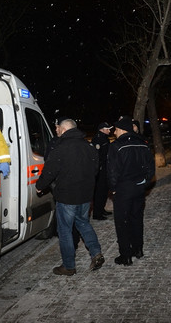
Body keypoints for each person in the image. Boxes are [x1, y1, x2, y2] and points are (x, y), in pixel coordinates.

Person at [35, 119, 105, 275]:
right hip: (85, 195)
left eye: (58, 128)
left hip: (67, 196)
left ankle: (68, 266)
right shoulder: (89, 147)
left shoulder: (60, 148)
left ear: (65, 129)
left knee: (65, 230)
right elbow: (95, 170)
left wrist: (40, 186)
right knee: (83, 223)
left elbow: (49, 171)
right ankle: (96, 253)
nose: (56, 131)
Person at [107, 115, 155, 266]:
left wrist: (113, 188)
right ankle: (138, 249)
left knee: (122, 222)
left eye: (116, 129)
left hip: (123, 189)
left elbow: (112, 171)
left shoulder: (116, 146)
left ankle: (125, 256)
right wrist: (144, 183)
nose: (114, 132)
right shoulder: (143, 144)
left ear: (122, 130)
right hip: (139, 189)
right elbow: (151, 169)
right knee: (136, 219)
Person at [35, 116, 68, 240]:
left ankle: (58, 230)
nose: (55, 129)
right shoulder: (55, 141)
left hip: (59, 180)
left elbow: (49, 161)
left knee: (61, 206)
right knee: (60, 206)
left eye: (57, 127)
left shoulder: (56, 142)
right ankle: (58, 229)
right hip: (58, 180)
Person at [92, 122, 113, 220]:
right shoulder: (98, 139)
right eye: (107, 129)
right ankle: (97, 213)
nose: (109, 131)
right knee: (99, 192)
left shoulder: (104, 138)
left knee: (104, 190)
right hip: (100, 170)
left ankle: (101, 209)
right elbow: (96, 156)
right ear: (102, 129)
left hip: (105, 168)